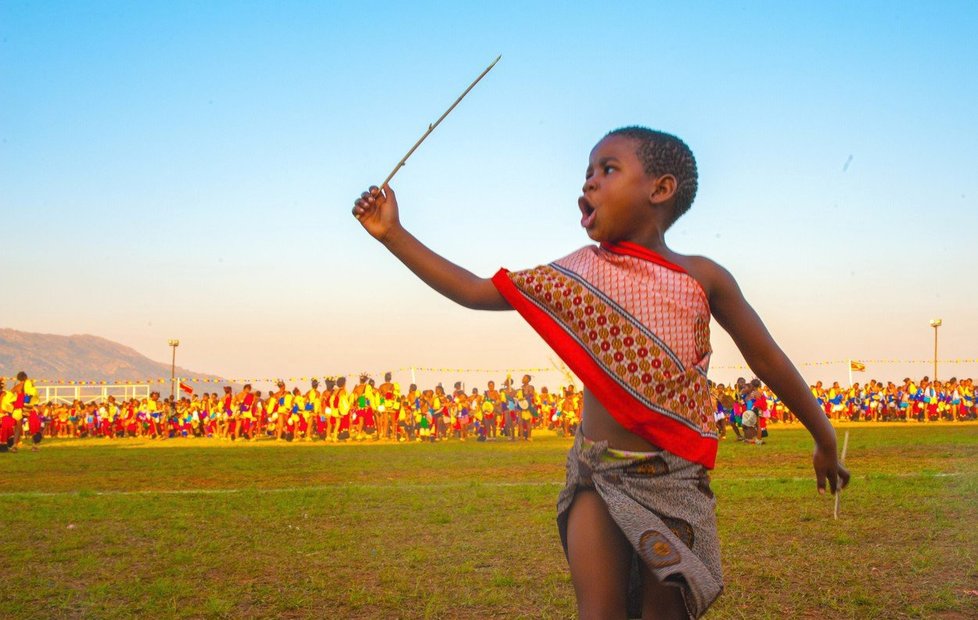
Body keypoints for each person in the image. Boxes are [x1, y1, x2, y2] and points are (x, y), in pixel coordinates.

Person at [354, 126, 849, 618]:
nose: (589, 182)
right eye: (587, 172)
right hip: (596, 473)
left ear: (661, 189)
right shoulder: (580, 273)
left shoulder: (704, 277)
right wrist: (392, 233)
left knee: (665, 613)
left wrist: (823, 438)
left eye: (607, 169)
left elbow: (767, 359)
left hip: (673, 479)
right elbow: (474, 290)